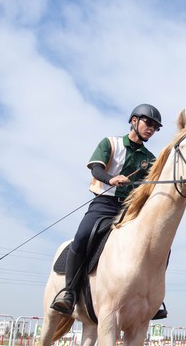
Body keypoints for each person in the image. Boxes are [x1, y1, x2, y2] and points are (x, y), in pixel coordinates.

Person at [50, 104, 167, 317]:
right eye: (148, 123)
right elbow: (96, 168)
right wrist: (110, 179)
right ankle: (68, 293)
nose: (151, 129)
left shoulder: (151, 159)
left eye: (156, 127)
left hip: (131, 210)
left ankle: (155, 299)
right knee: (82, 236)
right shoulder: (110, 143)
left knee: (159, 245)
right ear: (134, 121)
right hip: (104, 203)